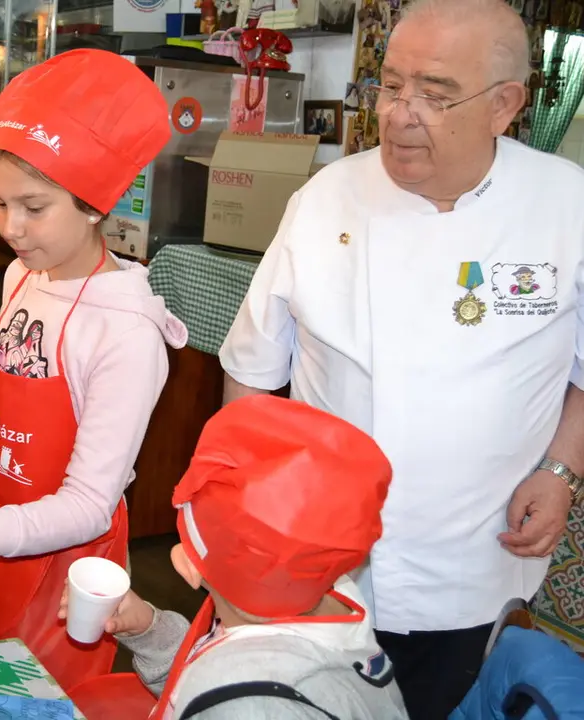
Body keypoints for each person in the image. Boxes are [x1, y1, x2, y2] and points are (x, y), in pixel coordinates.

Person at [218, 0, 584, 716]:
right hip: (322, 565)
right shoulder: (326, 199)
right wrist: (248, 529)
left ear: (504, 106)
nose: (399, 113)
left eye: (435, 94)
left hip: (480, 558)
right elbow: (253, 374)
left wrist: (562, 467)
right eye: (390, 86)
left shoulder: (567, 205)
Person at [0, 49, 188, 690]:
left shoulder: (127, 335)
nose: (11, 229)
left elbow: (88, 504)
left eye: (33, 206)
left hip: (54, 568)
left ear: (93, 204)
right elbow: (6, 391)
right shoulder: (21, 277)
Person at [59, 395, 408, 719]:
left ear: (188, 565)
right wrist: (151, 630)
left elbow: (229, 689)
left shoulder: (250, 706)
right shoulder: (332, 595)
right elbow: (224, 673)